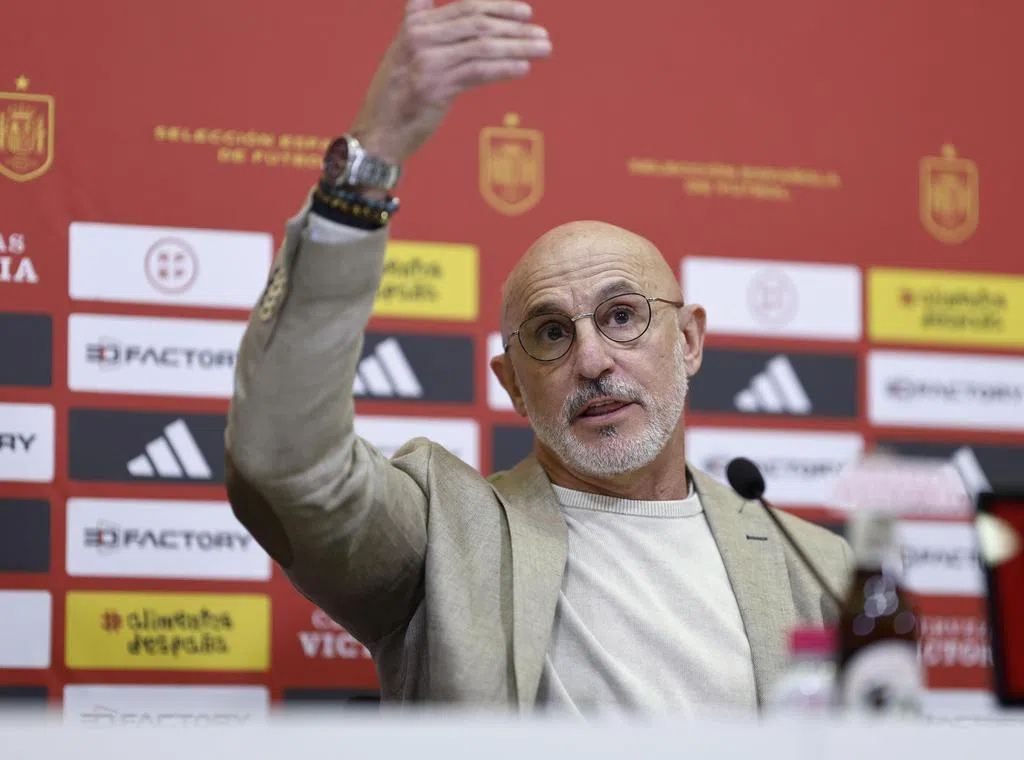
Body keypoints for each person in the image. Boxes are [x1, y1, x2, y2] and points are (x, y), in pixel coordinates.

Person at [224, 0, 853, 715]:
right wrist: (365, 168)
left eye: (622, 317)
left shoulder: (817, 569)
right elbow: (283, 466)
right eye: (551, 334)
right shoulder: (442, 538)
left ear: (688, 341)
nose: (592, 360)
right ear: (514, 386)